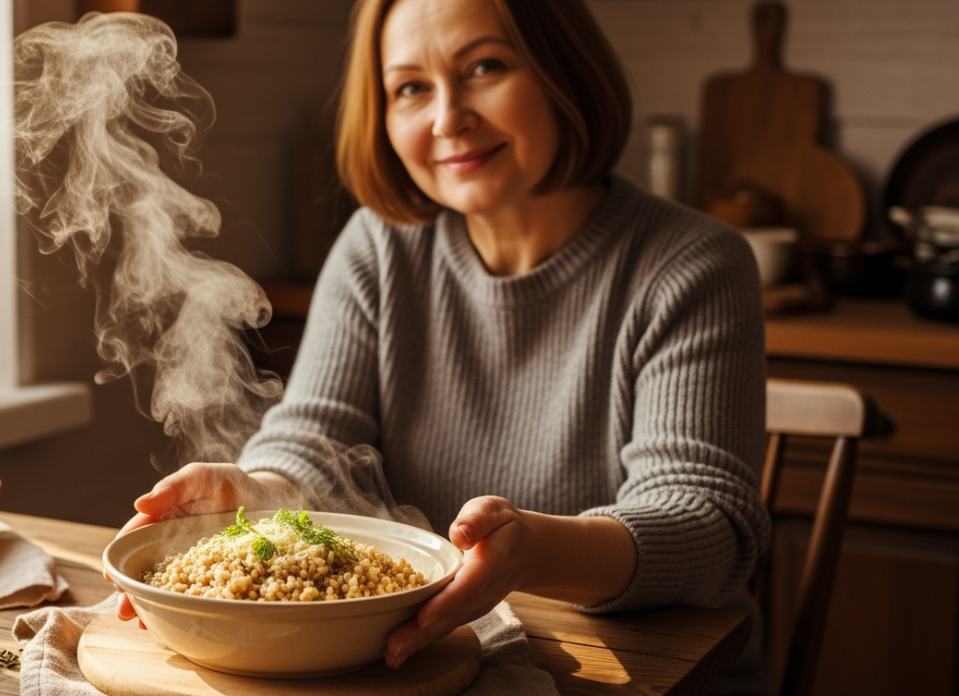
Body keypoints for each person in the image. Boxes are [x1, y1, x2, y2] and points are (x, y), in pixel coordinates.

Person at [119, 0, 771, 691]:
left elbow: (709, 527)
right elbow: (316, 436)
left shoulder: (691, 264)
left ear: (564, 70)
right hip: (425, 665)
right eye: (410, 88)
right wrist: (260, 489)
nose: (446, 118)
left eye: (485, 67)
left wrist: (534, 552)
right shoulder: (378, 247)